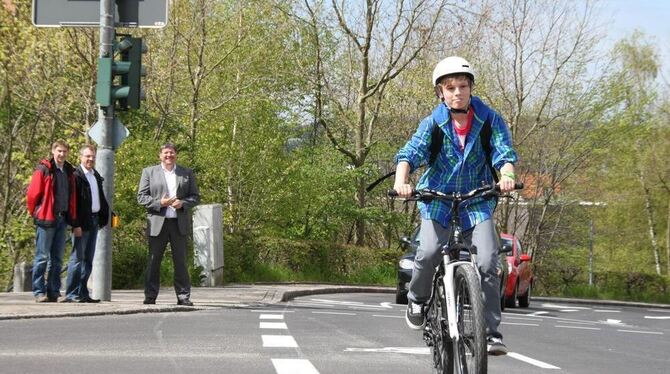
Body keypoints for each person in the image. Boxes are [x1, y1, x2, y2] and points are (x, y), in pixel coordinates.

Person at [393, 56, 517, 356]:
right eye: (450, 88)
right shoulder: (433, 123)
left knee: (488, 261)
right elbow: (410, 153)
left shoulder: (490, 120)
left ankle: (490, 333)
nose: (457, 92)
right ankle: (418, 299)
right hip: (437, 197)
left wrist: (507, 176)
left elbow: (504, 153)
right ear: (441, 92)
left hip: (477, 199)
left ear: (471, 88)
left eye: (463, 86)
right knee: (429, 251)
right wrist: (402, 181)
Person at [137, 143, 200, 306]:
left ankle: (183, 296)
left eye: (171, 153)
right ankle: (150, 296)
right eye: (165, 153)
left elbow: (195, 197)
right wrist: (160, 203)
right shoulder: (149, 172)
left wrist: (183, 203)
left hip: (179, 223)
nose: (169, 156)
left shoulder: (186, 173)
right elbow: (142, 197)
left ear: (175, 155)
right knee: (153, 261)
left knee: (180, 261)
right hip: (158, 223)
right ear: (160, 155)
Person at [26, 140, 78, 303]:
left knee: (57, 259)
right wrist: (35, 212)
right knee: (42, 257)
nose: (62, 154)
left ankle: (53, 291)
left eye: (64, 151)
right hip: (47, 218)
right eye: (59, 151)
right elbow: (33, 194)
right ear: (53, 151)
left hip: (62, 218)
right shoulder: (44, 169)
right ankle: (39, 291)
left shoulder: (69, 171)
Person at [62, 144, 109, 303]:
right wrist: (75, 224)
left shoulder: (95, 175)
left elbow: (100, 198)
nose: (90, 159)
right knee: (77, 258)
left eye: (93, 157)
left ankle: (83, 293)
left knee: (88, 259)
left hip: (94, 220)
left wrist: (104, 216)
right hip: (81, 223)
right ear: (81, 157)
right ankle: (72, 293)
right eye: (88, 156)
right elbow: (73, 203)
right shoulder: (76, 176)